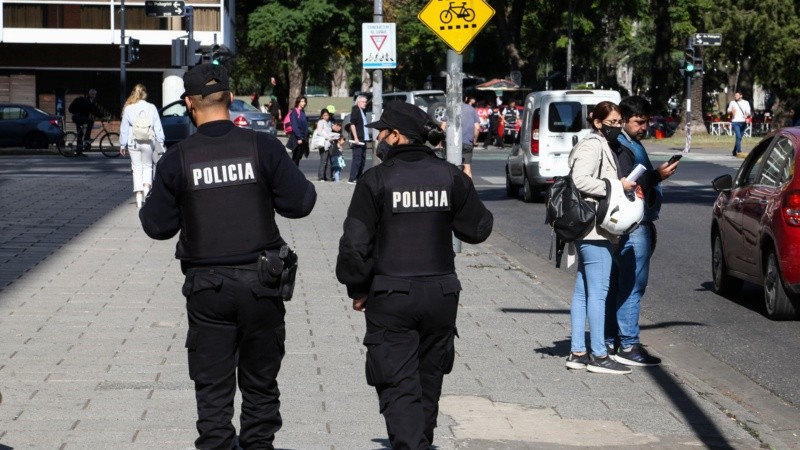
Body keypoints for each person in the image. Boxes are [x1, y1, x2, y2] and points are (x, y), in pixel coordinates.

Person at [138, 63, 317, 449]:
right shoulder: (262, 147)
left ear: (189, 104)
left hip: (208, 289)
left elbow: (156, 226)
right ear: (230, 99)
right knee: (260, 384)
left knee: (213, 390)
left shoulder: (178, 158)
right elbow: (301, 203)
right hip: (263, 285)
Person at [336, 101, 493, 449]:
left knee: (397, 383)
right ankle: (422, 441)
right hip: (441, 294)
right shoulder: (450, 175)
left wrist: (357, 288)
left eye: (382, 133)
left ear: (396, 135)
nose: (379, 139)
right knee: (428, 380)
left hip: (390, 295)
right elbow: (479, 229)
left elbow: (354, 245)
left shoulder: (375, 180)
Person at [604, 96, 679, 366]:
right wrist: (658, 176)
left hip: (632, 222)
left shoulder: (629, 143)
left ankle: (613, 339)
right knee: (632, 285)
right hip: (633, 223)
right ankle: (628, 345)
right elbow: (629, 186)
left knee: (620, 283)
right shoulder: (624, 146)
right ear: (624, 119)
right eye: (639, 122)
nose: (644, 127)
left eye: (647, 121)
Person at [565, 101, 636, 375]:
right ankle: (598, 354)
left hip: (590, 228)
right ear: (597, 122)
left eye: (619, 122)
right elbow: (579, 180)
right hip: (594, 229)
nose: (617, 127)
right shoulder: (593, 144)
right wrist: (617, 185)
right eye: (612, 122)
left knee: (583, 291)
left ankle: (578, 351)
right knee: (598, 293)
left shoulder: (597, 143)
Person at [118, 83, 165, 208]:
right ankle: (147, 194)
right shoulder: (152, 107)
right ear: (145, 94)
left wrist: (122, 145)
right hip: (148, 141)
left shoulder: (128, 108)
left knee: (136, 168)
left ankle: (138, 199)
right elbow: (157, 126)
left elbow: (124, 129)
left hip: (133, 141)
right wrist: (161, 141)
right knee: (148, 166)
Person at [68, 88, 102, 156]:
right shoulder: (87, 101)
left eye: (95, 94)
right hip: (77, 117)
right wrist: (101, 117)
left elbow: (95, 110)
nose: (95, 95)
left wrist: (102, 116)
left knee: (80, 134)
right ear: (91, 94)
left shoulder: (90, 101)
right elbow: (93, 110)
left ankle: (79, 152)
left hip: (79, 117)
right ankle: (87, 138)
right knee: (90, 121)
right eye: (94, 94)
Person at [347, 95, 371, 183]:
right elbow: (352, 124)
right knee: (357, 159)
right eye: (363, 102)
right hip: (358, 139)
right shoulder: (355, 110)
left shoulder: (362, 111)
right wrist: (356, 138)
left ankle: (358, 178)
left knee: (363, 159)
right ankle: (352, 178)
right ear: (358, 102)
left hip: (363, 138)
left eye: (365, 102)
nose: (365, 103)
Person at [311, 108, 334, 181]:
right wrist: (328, 137)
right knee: (324, 161)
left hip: (329, 143)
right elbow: (319, 132)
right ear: (321, 116)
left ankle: (328, 177)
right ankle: (321, 177)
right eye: (324, 115)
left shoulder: (329, 123)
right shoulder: (321, 122)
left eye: (327, 115)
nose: (326, 117)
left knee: (329, 161)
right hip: (323, 143)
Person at [727, 91, 752, 156]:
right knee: (738, 136)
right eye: (735, 96)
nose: (735, 96)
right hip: (735, 122)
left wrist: (746, 115)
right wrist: (731, 111)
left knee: (740, 137)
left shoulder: (746, 102)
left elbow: (748, 111)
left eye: (737, 95)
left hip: (743, 122)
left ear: (741, 96)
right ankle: (739, 151)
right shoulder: (732, 102)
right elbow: (728, 110)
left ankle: (734, 151)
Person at [287, 96, 309, 166]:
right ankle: (293, 173)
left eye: (304, 101)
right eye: (302, 101)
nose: (304, 103)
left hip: (303, 137)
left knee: (299, 156)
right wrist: (299, 137)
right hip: (297, 137)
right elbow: (295, 126)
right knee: (296, 156)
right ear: (298, 102)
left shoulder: (302, 112)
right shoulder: (294, 112)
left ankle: (294, 172)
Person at [461, 101, 481, 178]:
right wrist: (474, 141)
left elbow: (443, 126)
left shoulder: (450, 108)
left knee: (451, 167)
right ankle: (468, 188)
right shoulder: (471, 109)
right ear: (465, 98)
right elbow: (477, 127)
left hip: (452, 144)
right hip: (467, 143)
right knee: (467, 168)